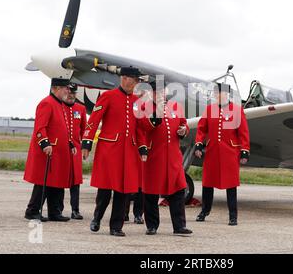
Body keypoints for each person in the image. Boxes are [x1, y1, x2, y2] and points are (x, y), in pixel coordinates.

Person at [82, 67, 147, 237]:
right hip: (109, 150)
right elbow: (93, 120)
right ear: (121, 79)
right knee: (105, 189)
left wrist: (142, 147)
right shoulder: (107, 96)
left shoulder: (137, 102)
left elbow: (140, 129)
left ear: (136, 82)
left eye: (131, 79)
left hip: (129, 152)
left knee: (124, 191)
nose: (127, 82)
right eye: (124, 78)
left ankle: (116, 226)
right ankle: (97, 217)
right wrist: (87, 143)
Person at [139, 81, 193, 235]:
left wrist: (184, 130)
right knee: (151, 192)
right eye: (156, 91)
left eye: (162, 91)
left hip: (173, 156)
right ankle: (152, 225)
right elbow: (145, 126)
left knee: (178, 191)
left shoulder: (176, 107)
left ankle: (179, 226)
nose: (160, 94)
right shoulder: (145, 107)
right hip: (154, 156)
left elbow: (183, 124)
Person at [194, 82, 250, 226]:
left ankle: (233, 216)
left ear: (226, 94)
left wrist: (244, 151)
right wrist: (199, 144)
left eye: (219, 93)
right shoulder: (210, 109)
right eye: (215, 93)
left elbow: (243, 132)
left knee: (231, 185)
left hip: (230, 152)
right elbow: (201, 129)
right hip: (212, 151)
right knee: (207, 183)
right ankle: (204, 211)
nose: (217, 96)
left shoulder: (237, 110)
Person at [24, 78, 74, 222]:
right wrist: (44, 143)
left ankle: (54, 211)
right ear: (56, 88)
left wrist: (70, 144)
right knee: (43, 182)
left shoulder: (60, 104)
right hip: (48, 149)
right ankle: (32, 210)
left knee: (57, 181)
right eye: (66, 88)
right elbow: (40, 127)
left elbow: (60, 128)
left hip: (59, 151)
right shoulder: (47, 103)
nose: (68, 91)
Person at [62, 83, 87, 220]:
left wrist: (84, 147)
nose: (71, 95)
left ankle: (75, 210)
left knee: (75, 182)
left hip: (76, 150)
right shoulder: (59, 107)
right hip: (62, 149)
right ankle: (57, 209)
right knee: (60, 180)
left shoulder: (81, 109)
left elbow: (84, 130)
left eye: (74, 93)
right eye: (69, 92)